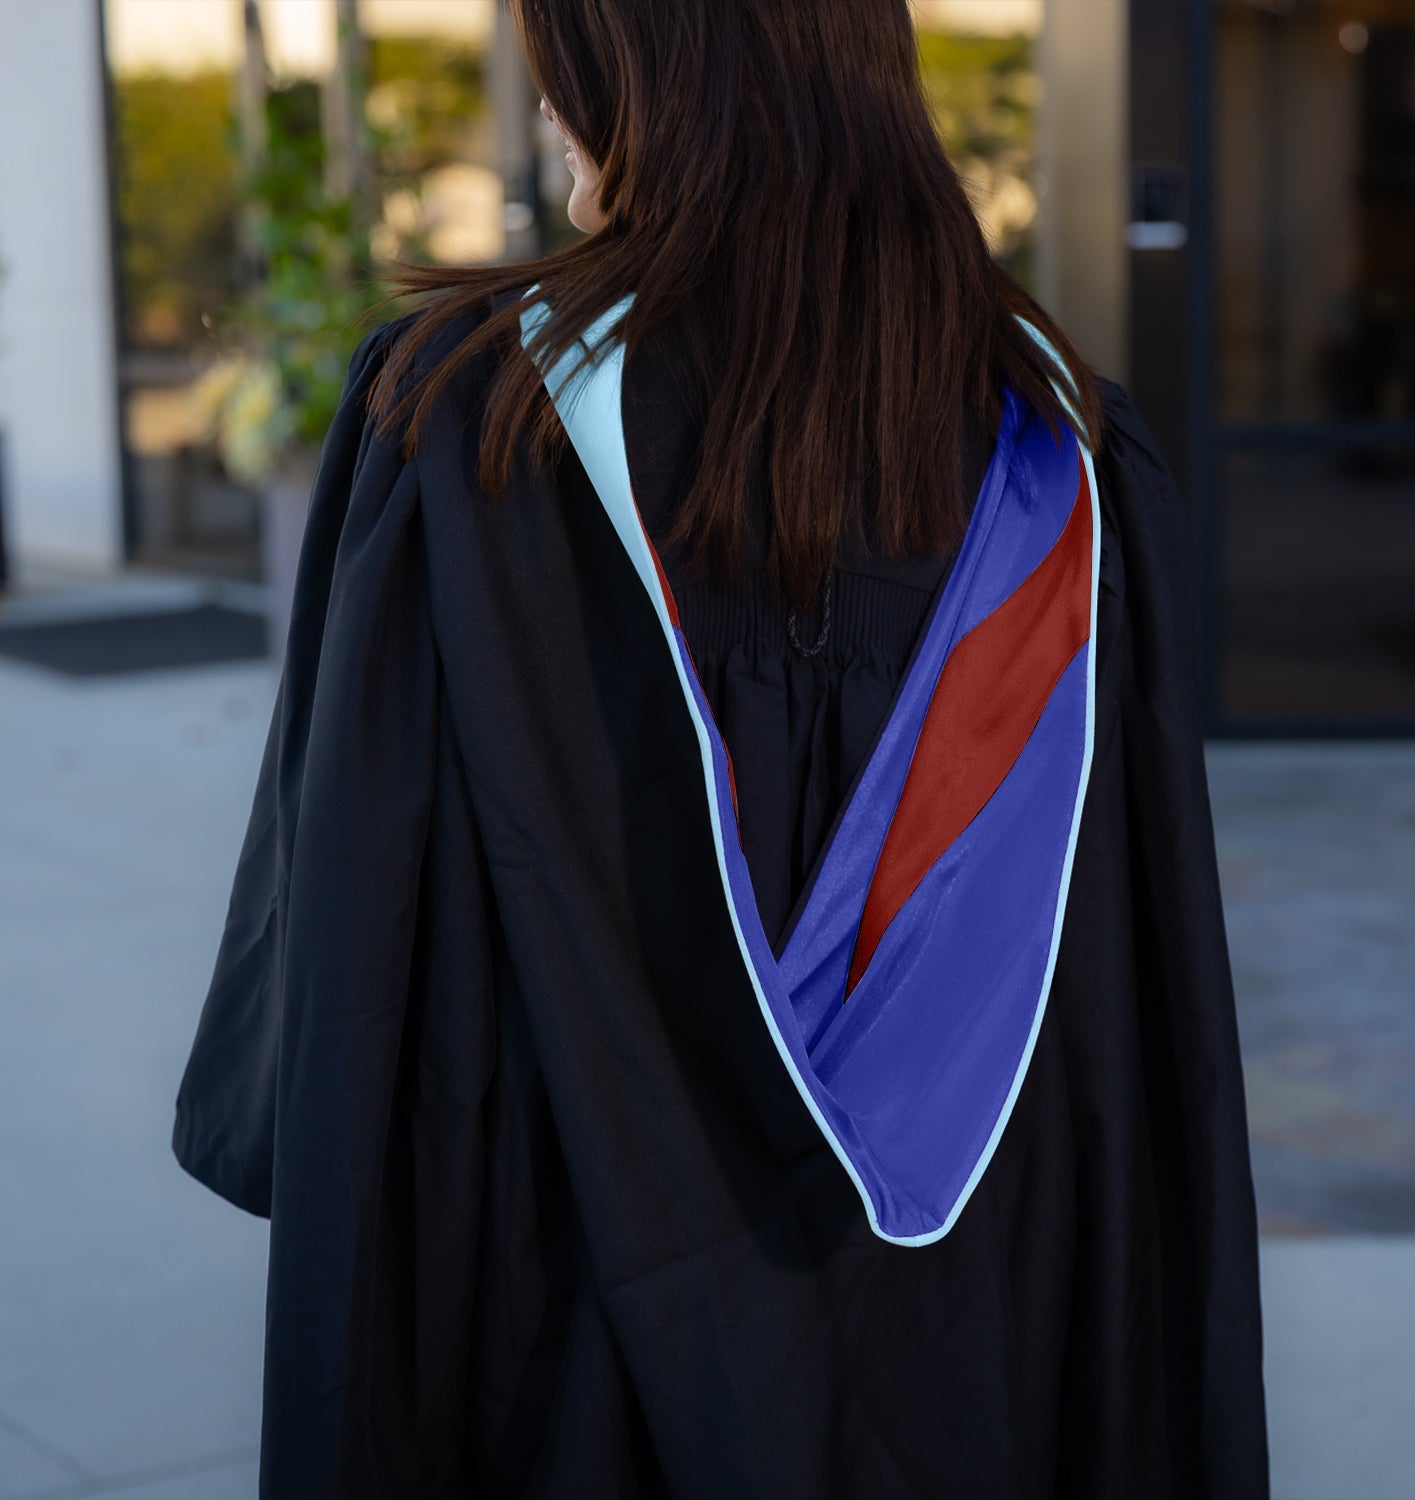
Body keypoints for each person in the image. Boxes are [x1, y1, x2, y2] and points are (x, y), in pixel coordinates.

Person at [171, 1, 1269, 1495]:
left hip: (563, 1316)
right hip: (990, 1321)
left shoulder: (469, 425)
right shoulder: (1056, 441)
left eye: (565, 59)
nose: (546, 105)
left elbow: (357, 945)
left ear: (654, 73)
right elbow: (1139, 1003)